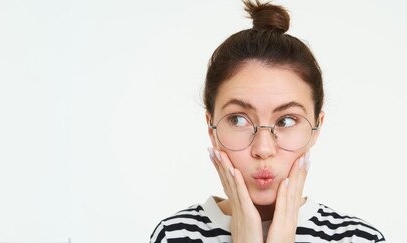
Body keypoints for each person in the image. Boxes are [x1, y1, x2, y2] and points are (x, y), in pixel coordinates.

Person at [149, 1, 385, 242]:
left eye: (286, 121)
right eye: (238, 119)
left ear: (316, 127)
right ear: (212, 127)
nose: (263, 149)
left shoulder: (358, 238)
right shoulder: (173, 235)